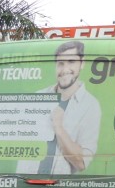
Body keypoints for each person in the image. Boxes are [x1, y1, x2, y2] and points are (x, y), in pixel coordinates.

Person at [17, 40, 101, 175]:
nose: (65, 69)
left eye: (71, 62)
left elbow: (81, 163)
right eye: (60, 63)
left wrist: (59, 127)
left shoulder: (90, 106)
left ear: (82, 63)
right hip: (25, 184)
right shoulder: (38, 97)